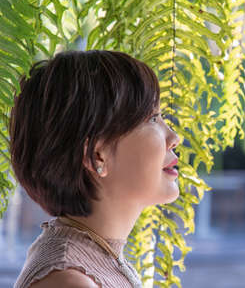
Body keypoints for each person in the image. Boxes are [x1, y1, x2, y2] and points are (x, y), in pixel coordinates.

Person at [8, 50, 181, 288]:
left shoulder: (97, 257)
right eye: (152, 118)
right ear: (97, 155)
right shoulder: (69, 281)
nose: (174, 137)